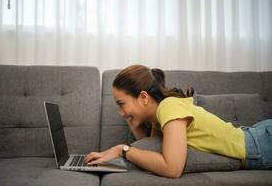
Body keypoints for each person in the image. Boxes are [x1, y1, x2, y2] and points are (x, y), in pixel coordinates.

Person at [84, 64, 272, 178]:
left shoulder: (169, 108)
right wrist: (133, 122)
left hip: (261, 144)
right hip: (257, 139)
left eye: (122, 104)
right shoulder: (160, 116)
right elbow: (149, 147)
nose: (120, 113)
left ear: (143, 98)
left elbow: (172, 168)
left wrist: (121, 150)